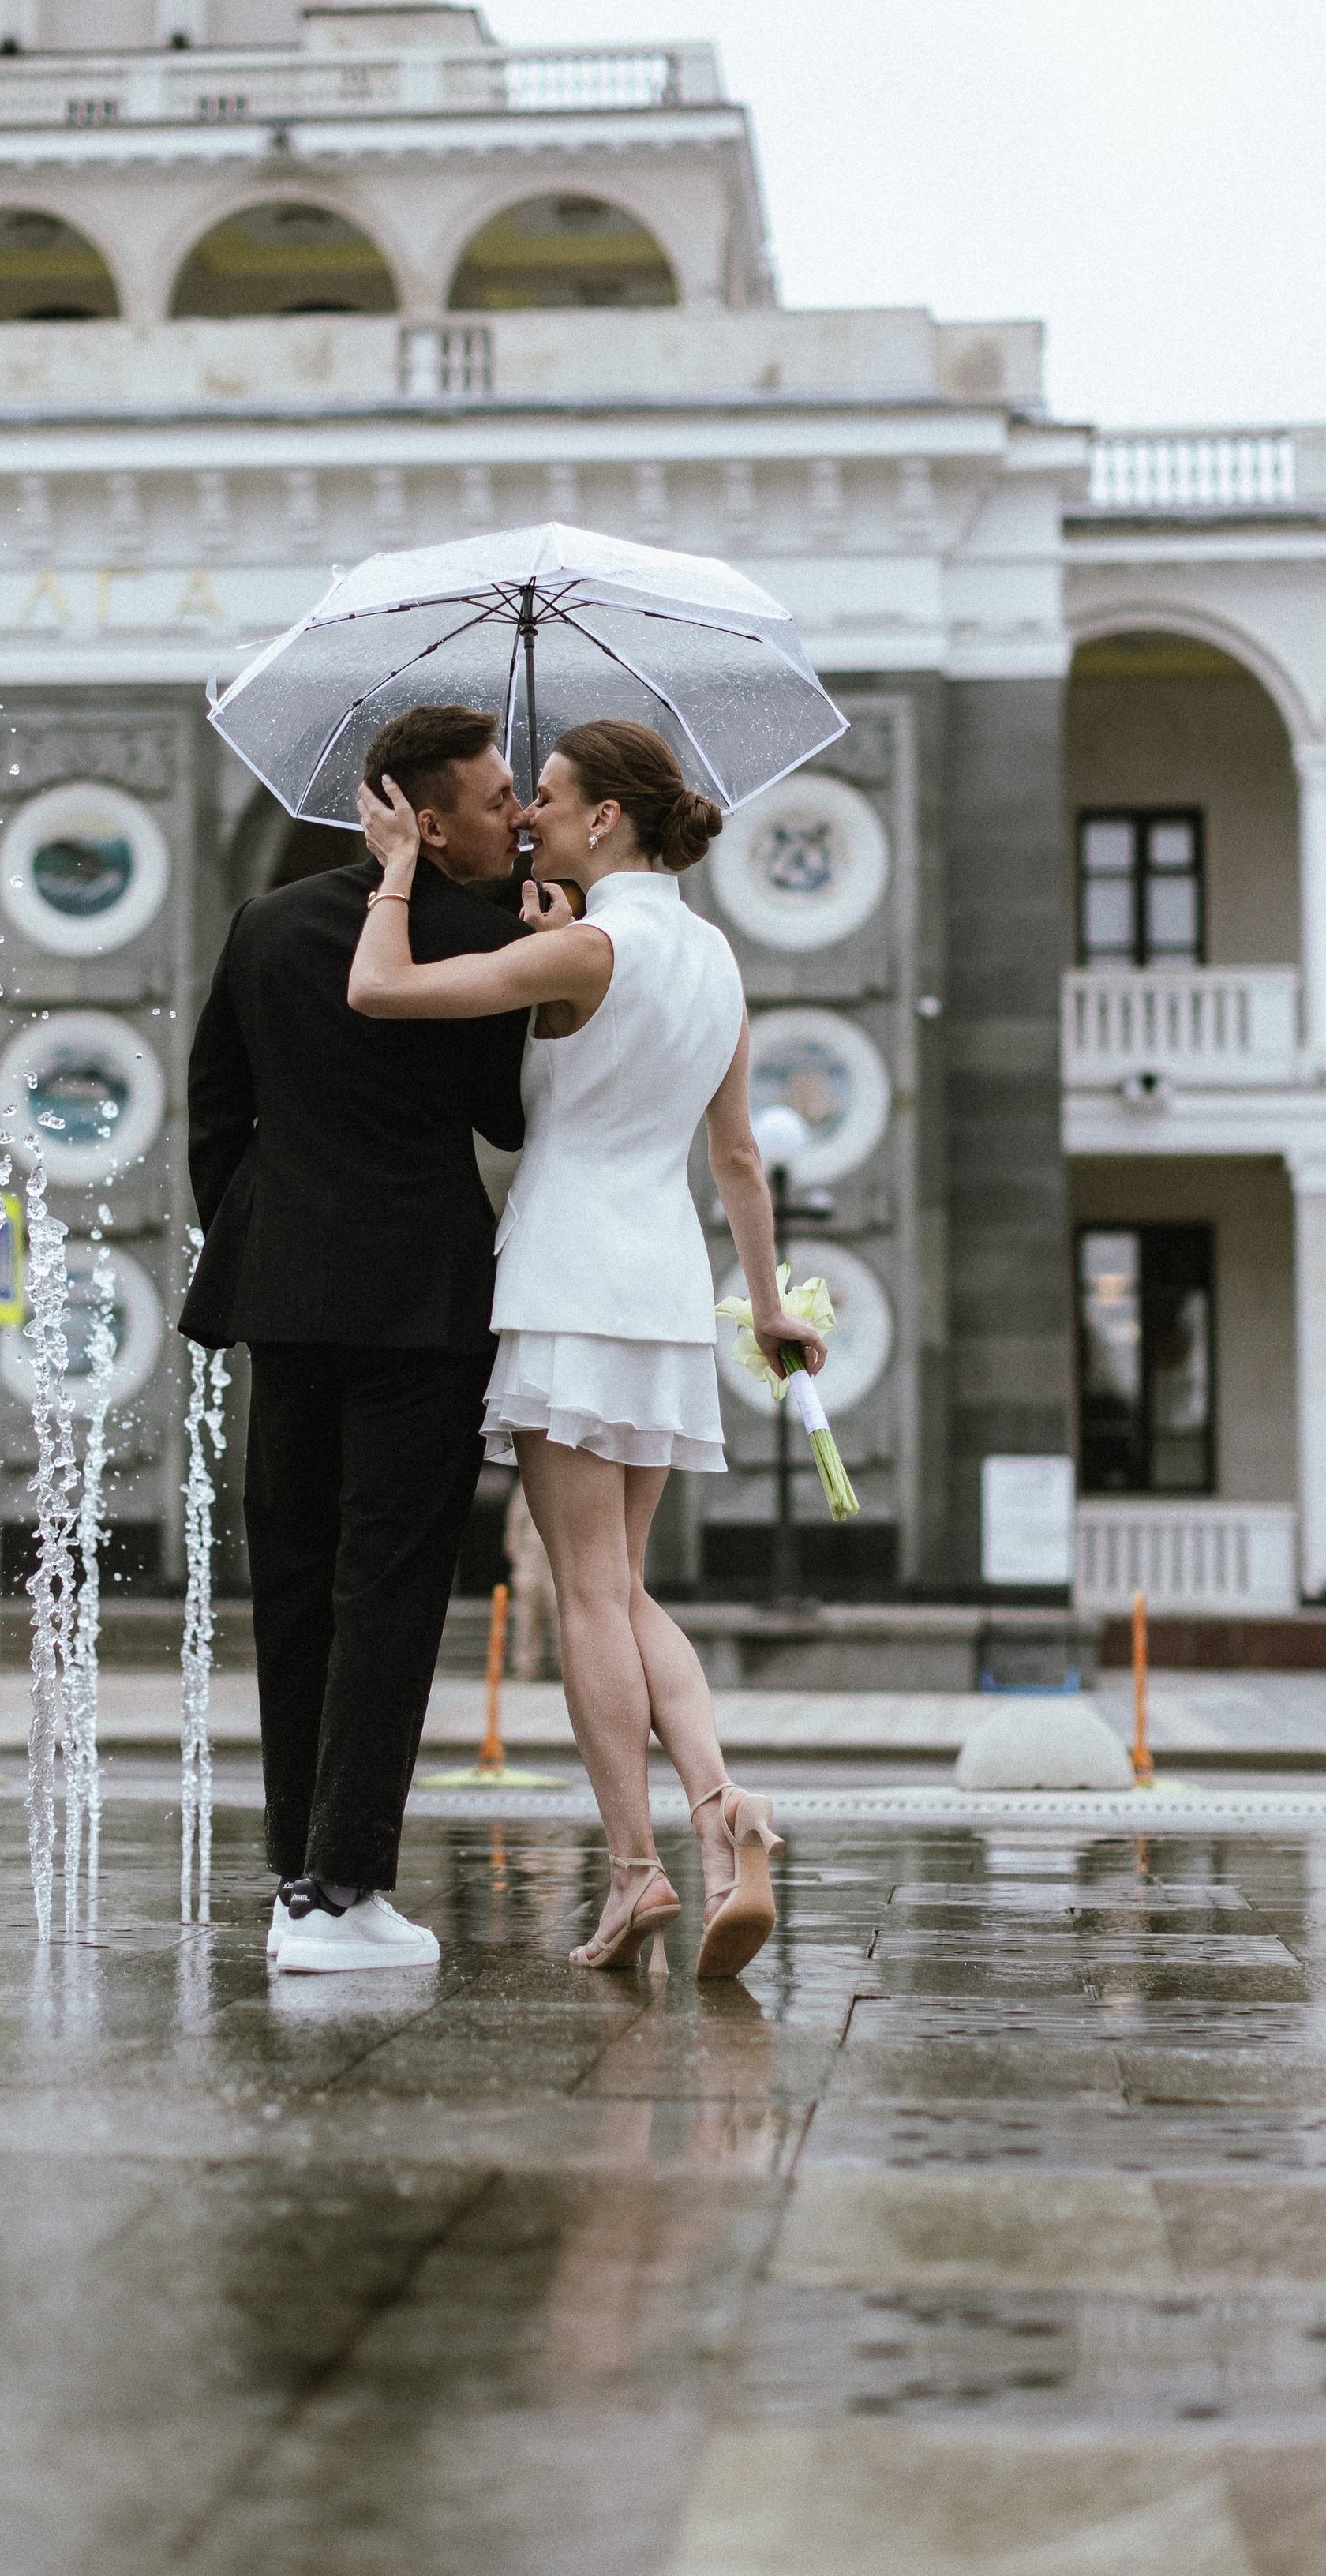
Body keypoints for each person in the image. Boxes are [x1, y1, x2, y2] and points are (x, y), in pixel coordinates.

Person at [351, 718, 827, 1981]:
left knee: (587, 1597)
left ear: (605, 818)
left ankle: (634, 1872)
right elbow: (735, 1153)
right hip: (668, 1284)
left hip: (567, 1277)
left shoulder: (582, 947)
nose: (528, 819)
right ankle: (723, 1810)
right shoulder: (717, 956)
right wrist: (769, 1304)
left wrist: (398, 865)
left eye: (549, 799)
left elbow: (380, 989)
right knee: (624, 1583)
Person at [181, 704, 526, 1973]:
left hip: (287, 1294)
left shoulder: (266, 925)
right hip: (421, 1302)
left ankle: (295, 1874)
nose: (517, 814)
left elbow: (215, 1109)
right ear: (429, 822)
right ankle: (346, 1884)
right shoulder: (487, 940)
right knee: (388, 1586)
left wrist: (266, 1233)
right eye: (497, 800)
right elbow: (504, 1120)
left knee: (292, 1579)